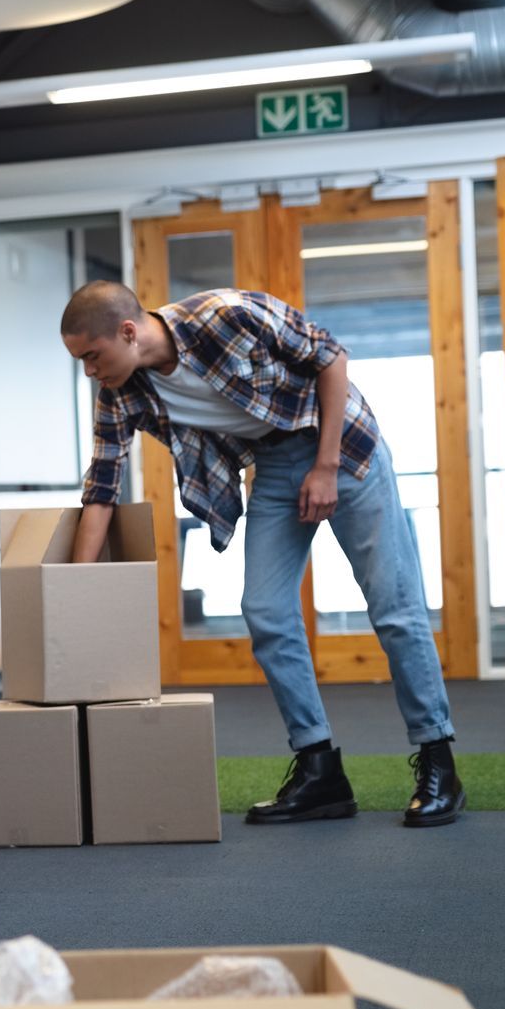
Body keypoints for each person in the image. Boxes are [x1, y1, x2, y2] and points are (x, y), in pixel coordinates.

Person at [59, 280, 463, 829]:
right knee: (267, 611)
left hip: (342, 446)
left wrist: (325, 469)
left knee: (394, 607)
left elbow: (331, 357)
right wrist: (75, 591)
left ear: (128, 332)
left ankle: (438, 760)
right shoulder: (121, 392)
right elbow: (102, 488)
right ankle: (320, 769)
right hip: (273, 466)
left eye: (91, 355)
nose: (89, 371)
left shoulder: (226, 314)